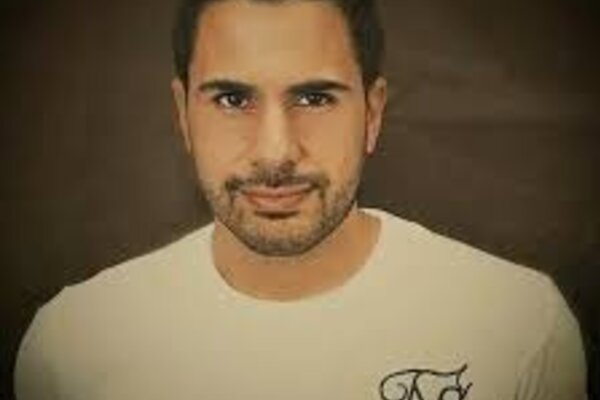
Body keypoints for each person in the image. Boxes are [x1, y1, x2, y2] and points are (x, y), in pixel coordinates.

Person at [15, 0, 587, 399]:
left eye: (314, 97)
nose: (276, 151)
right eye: (232, 99)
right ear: (182, 115)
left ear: (373, 113)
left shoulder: (517, 325)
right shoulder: (75, 344)